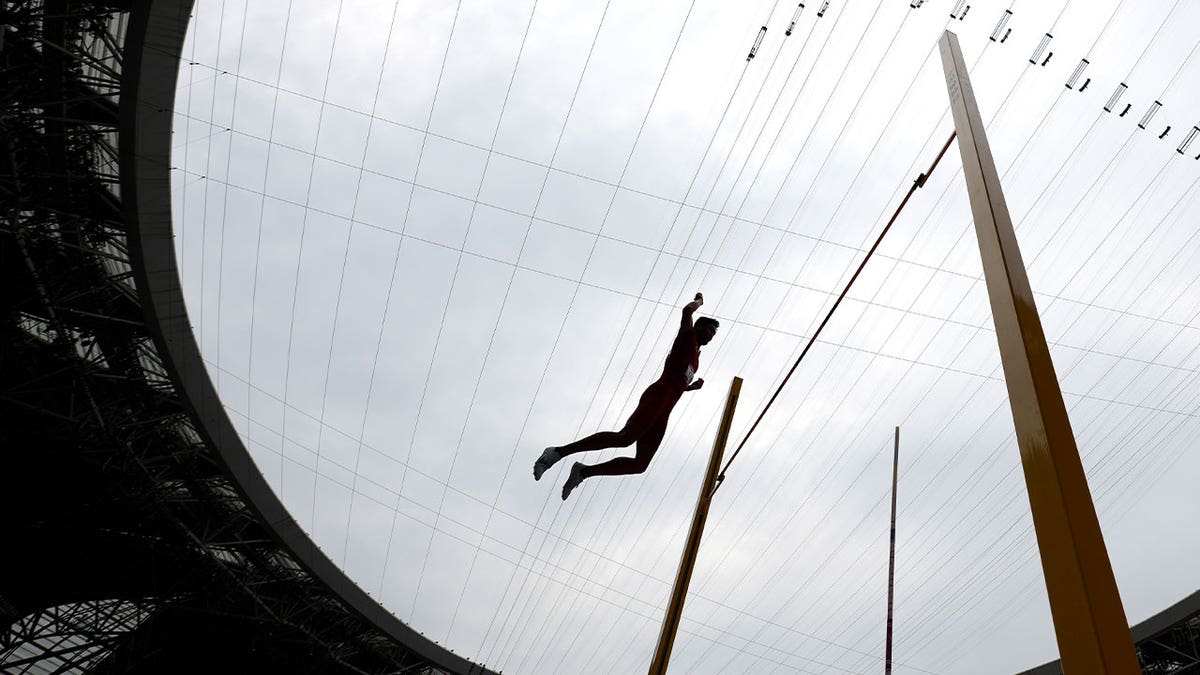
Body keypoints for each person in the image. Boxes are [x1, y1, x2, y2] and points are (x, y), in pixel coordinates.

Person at [533, 292, 719, 500]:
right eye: (709, 330)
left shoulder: (696, 356)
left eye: (713, 334)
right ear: (698, 327)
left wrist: (690, 388)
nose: (711, 336)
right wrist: (699, 301)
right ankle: (556, 453)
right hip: (656, 398)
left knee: (640, 464)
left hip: (665, 409)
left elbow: (677, 381)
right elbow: (686, 311)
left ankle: (582, 472)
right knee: (624, 439)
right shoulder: (687, 336)